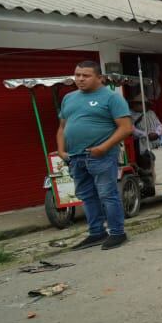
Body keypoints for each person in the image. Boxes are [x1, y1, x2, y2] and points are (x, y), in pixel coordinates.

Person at [56, 61, 133, 250]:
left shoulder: (111, 98)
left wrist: (104, 147)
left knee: (107, 194)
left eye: (86, 75)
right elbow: (62, 127)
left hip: (101, 155)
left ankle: (117, 233)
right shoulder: (69, 98)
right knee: (86, 196)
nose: (80, 79)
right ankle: (96, 233)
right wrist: (61, 150)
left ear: (100, 78)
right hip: (75, 157)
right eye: (77, 74)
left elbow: (126, 128)